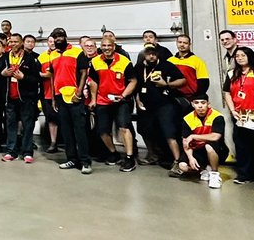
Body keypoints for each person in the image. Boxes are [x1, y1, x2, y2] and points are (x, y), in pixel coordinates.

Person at [222, 47, 254, 188]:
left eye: (243, 55)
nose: (240, 58)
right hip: (240, 117)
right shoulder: (231, 74)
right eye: (237, 56)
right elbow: (227, 93)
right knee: (242, 148)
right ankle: (244, 174)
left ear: (250, 57)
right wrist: (232, 110)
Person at [133, 44, 187, 173]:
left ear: (157, 54)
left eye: (154, 54)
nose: (151, 56)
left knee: (169, 133)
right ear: (144, 54)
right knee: (144, 129)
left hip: (165, 104)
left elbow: (182, 80)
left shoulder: (166, 65)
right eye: (149, 54)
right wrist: (137, 101)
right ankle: (153, 155)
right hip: (146, 105)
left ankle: (177, 161)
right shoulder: (139, 67)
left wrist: (167, 84)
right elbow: (135, 86)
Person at [86, 37, 137, 171]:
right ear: (100, 47)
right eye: (104, 45)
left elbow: (133, 81)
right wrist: (93, 99)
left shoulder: (124, 61)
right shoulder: (95, 61)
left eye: (109, 45)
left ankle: (130, 158)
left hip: (122, 101)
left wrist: (123, 95)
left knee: (124, 127)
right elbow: (93, 81)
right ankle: (113, 153)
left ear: (114, 47)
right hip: (103, 101)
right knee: (102, 131)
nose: (106, 48)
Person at [49, 28, 91, 173]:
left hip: (74, 97)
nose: (58, 39)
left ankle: (85, 162)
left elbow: (84, 73)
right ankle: (72, 159)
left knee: (79, 130)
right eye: (55, 37)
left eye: (60, 36)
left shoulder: (77, 52)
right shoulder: (52, 55)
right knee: (66, 130)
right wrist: (53, 98)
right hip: (60, 97)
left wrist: (79, 93)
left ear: (65, 37)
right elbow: (52, 76)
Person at [1, 34, 41, 163]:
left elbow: (37, 79)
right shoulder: (5, 57)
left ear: (21, 43)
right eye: (11, 41)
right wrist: (2, 73)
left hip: (26, 98)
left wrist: (23, 78)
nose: (13, 44)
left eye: (16, 42)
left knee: (27, 126)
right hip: (10, 98)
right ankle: (11, 151)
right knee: (11, 125)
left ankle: (27, 152)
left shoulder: (31, 58)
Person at [178, 94, 229, 189]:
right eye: (196, 103)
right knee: (182, 166)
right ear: (192, 104)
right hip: (198, 149)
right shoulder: (187, 119)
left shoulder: (217, 116)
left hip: (216, 149)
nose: (200, 106)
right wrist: (190, 157)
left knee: (208, 146)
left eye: (203, 103)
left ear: (208, 104)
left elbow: (215, 136)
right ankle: (203, 169)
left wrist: (193, 136)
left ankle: (214, 174)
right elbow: (186, 141)